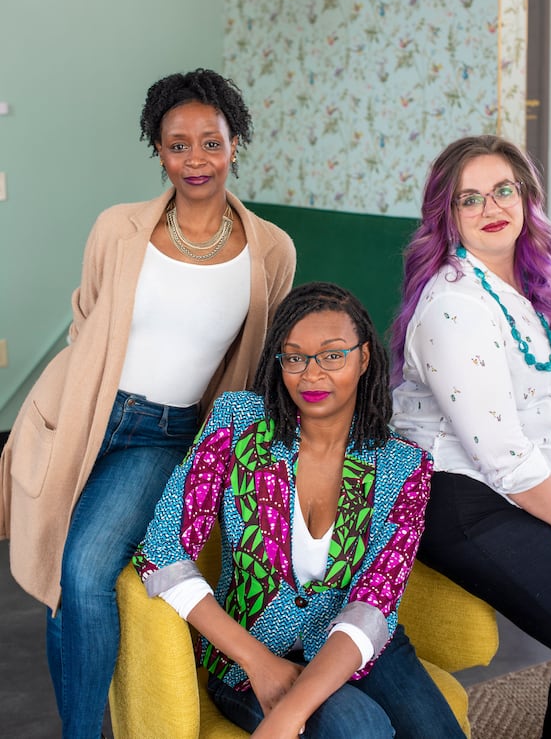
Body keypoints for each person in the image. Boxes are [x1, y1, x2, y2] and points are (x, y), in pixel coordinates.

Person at [0, 68, 296, 739]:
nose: (195, 159)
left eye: (211, 143)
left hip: (163, 433)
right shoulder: (118, 228)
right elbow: (86, 320)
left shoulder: (270, 249)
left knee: (84, 568)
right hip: (81, 415)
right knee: (57, 584)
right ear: (158, 150)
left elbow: (256, 362)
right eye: (177, 144)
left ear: (235, 143)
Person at [135, 282, 464, 739]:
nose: (311, 375)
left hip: (357, 644)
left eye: (332, 355)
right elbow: (162, 549)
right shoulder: (237, 424)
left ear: (364, 358)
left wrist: (289, 716)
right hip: (250, 653)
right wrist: (256, 661)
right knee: (359, 729)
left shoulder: (404, 465)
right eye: (294, 357)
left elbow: (374, 601)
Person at [390, 134, 551, 739]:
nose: (491, 208)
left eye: (503, 190)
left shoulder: (529, 288)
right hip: (460, 501)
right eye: (470, 199)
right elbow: (501, 457)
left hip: (524, 484)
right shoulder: (454, 305)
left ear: (527, 198)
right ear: (448, 217)